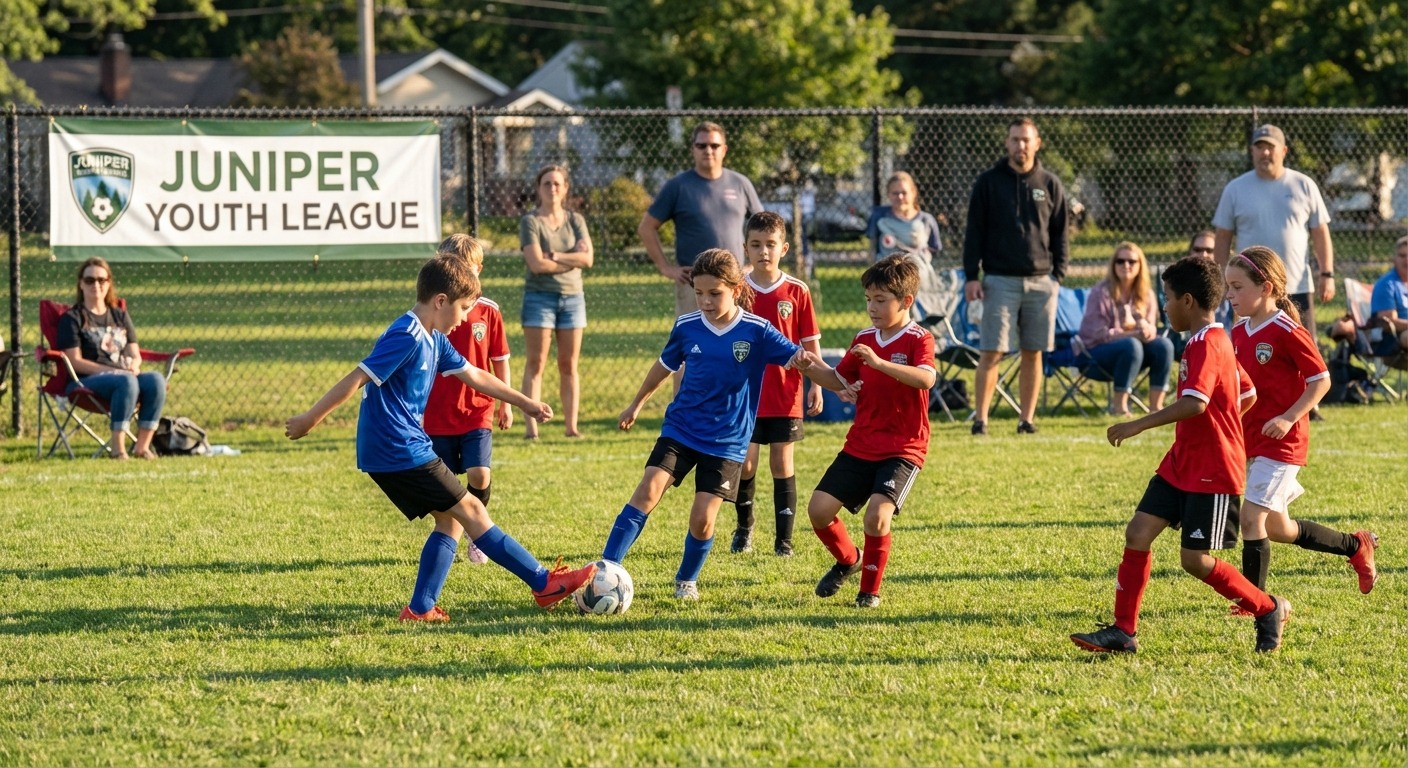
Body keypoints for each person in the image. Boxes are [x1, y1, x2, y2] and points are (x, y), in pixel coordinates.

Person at [285, 254, 596, 621]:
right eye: (463, 308)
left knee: (450, 520)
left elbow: (476, 375)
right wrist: (309, 419)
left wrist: (524, 401)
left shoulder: (434, 338)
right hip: (398, 448)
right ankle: (543, 583)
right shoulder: (408, 334)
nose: (465, 318)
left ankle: (421, 608)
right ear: (440, 301)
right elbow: (358, 377)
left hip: (398, 448)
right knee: (473, 510)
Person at [1070, 256, 1291, 654]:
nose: (1165, 305)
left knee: (1194, 560)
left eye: (1167, 298)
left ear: (1187, 301)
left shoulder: (1207, 343)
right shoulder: (1213, 339)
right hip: (1181, 463)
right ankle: (1124, 631)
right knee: (1138, 532)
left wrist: (1137, 424)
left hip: (1212, 469)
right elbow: (1246, 394)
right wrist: (1218, 425)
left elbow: (1196, 404)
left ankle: (1267, 607)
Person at [599, 248, 811, 601]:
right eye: (699, 293)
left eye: (715, 293)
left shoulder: (757, 331)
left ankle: (686, 580)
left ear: (736, 288)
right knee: (649, 489)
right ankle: (606, 568)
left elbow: (802, 359)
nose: (706, 301)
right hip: (681, 428)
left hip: (727, 441)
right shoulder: (687, 326)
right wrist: (636, 404)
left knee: (702, 518)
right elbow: (663, 367)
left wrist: (838, 381)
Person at [1225, 246, 1378, 598]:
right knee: (1279, 529)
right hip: (1253, 439)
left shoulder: (1287, 330)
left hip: (1283, 441)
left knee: (1250, 519)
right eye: (1228, 287)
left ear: (1265, 287)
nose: (1230, 295)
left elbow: (1321, 380)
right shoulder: (1239, 331)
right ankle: (1355, 546)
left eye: (1237, 287)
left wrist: (1289, 416)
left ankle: (1255, 602)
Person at [795, 255, 936, 608]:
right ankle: (849, 560)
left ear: (906, 301)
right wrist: (808, 367)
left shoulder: (919, 338)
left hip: (904, 447)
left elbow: (927, 378)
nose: (872, 307)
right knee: (818, 510)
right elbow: (837, 379)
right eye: (868, 300)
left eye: (881, 300)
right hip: (861, 444)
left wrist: (879, 363)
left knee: (877, 515)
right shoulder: (863, 338)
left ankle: (869, 591)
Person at [962, 117, 1068, 436]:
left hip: (1041, 281)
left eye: (1026, 140)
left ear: (1037, 143)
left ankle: (1026, 419)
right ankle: (981, 420)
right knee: (992, 350)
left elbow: (1061, 233)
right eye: (1015, 139)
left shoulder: (1050, 184)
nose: (1020, 145)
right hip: (999, 279)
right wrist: (971, 275)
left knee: (1032, 351)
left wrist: (1057, 276)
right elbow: (974, 233)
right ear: (1006, 143)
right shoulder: (988, 183)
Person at [731, 212, 824, 558]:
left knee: (782, 465)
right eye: (756, 245)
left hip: (786, 393)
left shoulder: (797, 290)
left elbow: (810, 342)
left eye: (770, 245)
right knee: (747, 463)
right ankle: (744, 529)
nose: (763, 251)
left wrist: (817, 385)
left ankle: (783, 541)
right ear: (746, 248)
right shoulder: (738, 289)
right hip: (747, 394)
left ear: (783, 248)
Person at [424, 234, 513, 567]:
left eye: (469, 268)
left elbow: (499, 357)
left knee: (479, 474)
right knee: (445, 483)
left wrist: (505, 403)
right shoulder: (435, 308)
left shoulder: (488, 311)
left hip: (477, 408)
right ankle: (453, 532)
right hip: (437, 411)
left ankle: (479, 533)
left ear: (479, 269)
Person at [1212, 124, 1335, 342]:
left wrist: (1327, 274)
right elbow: (1222, 237)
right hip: (1250, 289)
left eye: (1270, 147)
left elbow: (1320, 232)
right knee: (1248, 353)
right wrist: (1223, 280)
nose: (1265, 153)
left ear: (1284, 151)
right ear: (1252, 151)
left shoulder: (1304, 185)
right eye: (1259, 147)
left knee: (1301, 351)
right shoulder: (1236, 188)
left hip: (1296, 287)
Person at [639, 121, 763, 320]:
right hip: (694, 284)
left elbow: (763, 228)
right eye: (701, 145)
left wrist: (752, 265)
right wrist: (666, 268)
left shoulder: (740, 183)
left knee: (741, 343)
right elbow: (646, 228)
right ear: (693, 150)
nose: (708, 150)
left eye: (714, 146)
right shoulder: (677, 186)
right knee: (695, 343)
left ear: (724, 149)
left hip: (736, 281)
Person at [56, 257, 167, 460]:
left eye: (101, 280)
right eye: (89, 280)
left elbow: (134, 352)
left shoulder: (119, 315)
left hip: (124, 376)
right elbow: (74, 361)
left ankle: (142, 447)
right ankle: (118, 449)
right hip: (84, 381)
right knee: (126, 381)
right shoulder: (72, 319)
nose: (96, 285)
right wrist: (115, 372)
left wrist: (134, 364)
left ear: (109, 283)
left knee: (156, 380)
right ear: (81, 284)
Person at [518, 164, 593, 440]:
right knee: (536, 363)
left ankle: (571, 428)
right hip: (539, 298)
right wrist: (571, 255)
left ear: (565, 189)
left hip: (573, 298)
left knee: (568, 365)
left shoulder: (576, 220)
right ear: (539, 188)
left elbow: (588, 259)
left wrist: (555, 256)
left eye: (557, 184)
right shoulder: (530, 222)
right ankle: (531, 429)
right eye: (547, 183)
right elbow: (536, 264)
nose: (552, 188)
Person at [1076, 242, 1172, 414]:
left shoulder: (1147, 294)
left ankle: (1156, 408)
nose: (1125, 265)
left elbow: (1151, 329)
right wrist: (1135, 334)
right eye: (1120, 261)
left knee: (1164, 345)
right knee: (1131, 345)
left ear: (1140, 265)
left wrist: (1146, 331)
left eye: (1131, 261)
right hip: (1095, 354)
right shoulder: (1100, 292)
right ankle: (1119, 407)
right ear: (1113, 265)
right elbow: (1098, 334)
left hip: (1135, 355)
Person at [867, 171, 943, 264]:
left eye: (904, 192)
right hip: (887, 274)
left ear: (913, 192)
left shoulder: (926, 220)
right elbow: (872, 251)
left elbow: (934, 251)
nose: (900, 197)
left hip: (918, 273)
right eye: (895, 193)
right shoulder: (879, 218)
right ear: (888, 194)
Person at [1368, 234, 1408, 357]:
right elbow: (1389, 323)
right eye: (1402, 256)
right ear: (1394, 259)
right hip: (1392, 340)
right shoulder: (1386, 284)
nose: (1407, 260)